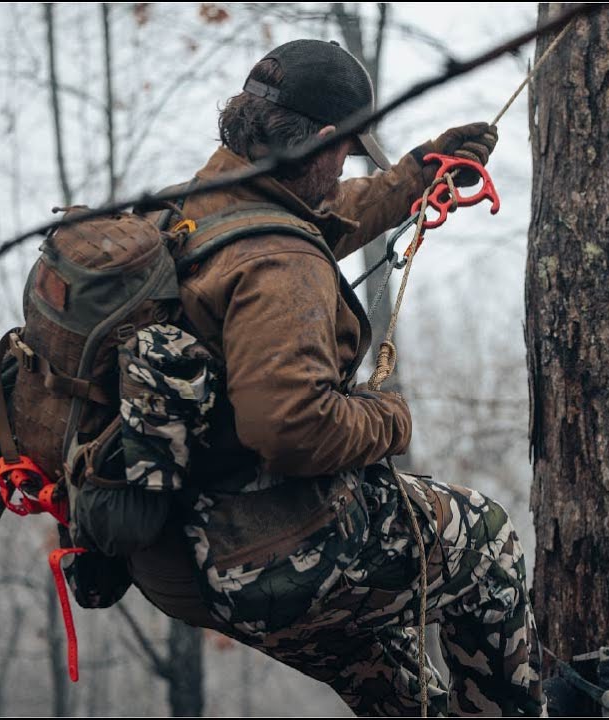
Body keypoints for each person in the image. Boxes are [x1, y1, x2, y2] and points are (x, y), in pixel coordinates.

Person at [124, 39, 546, 716]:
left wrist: (418, 174)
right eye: (346, 151)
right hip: (264, 557)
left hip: (172, 563)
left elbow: (317, 217)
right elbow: (293, 428)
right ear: (322, 141)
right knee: (485, 538)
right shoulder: (278, 261)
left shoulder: (188, 211)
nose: (346, 166)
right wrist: (389, 416)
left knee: (392, 678)